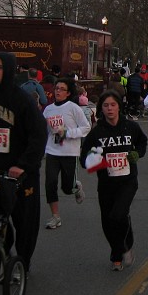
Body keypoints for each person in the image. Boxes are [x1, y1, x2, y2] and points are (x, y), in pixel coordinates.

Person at [0, 51, 48, 271]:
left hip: (20, 175)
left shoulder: (23, 100)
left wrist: (22, 165)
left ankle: (22, 264)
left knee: (25, 222)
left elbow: (38, 136)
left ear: (9, 70)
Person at [80, 90, 148, 271]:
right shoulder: (97, 132)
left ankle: (123, 249)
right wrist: (94, 159)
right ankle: (117, 252)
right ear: (101, 109)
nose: (109, 108)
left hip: (128, 180)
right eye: (105, 105)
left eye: (113, 105)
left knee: (118, 214)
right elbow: (84, 159)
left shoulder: (130, 127)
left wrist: (137, 153)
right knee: (108, 221)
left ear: (119, 107)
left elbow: (142, 142)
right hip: (106, 183)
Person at [42, 78, 91, 229]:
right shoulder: (48, 110)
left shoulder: (73, 108)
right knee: (50, 183)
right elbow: (44, 130)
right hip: (52, 151)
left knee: (67, 188)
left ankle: (76, 186)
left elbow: (86, 127)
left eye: (62, 89)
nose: (58, 91)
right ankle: (55, 216)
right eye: (56, 88)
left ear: (68, 93)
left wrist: (67, 133)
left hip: (69, 152)